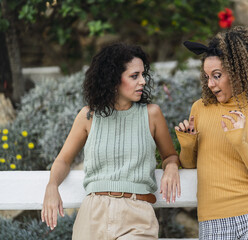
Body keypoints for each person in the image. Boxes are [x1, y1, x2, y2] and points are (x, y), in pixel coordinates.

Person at [41, 42, 181, 239]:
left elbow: (170, 156)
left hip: (137, 215)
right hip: (92, 215)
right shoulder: (88, 116)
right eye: (134, 76)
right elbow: (63, 160)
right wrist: (52, 186)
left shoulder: (152, 115)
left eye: (143, 74)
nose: (142, 81)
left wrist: (172, 167)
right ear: (113, 79)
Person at [175, 26, 248, 239]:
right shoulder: (200, 109)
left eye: (216, 75)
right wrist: (187, 145)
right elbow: (188, 165)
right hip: (212, 222)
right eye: (207, 77)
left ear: (236, 71)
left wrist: (240, 143)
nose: (210, 84)